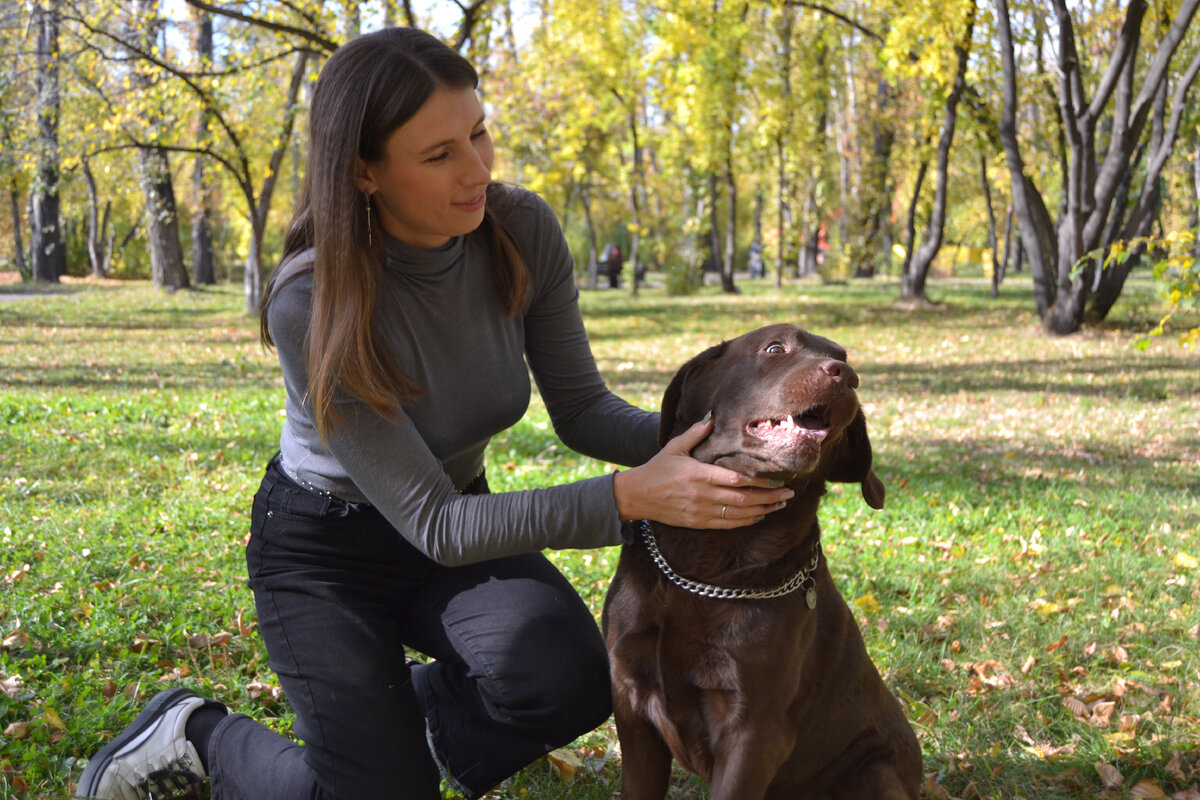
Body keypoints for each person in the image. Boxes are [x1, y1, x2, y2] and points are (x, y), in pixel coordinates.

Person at [74, 27, 793, 800]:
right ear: (364, 172)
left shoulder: (521, 230)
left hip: (454, 521)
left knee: (572, 678)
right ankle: (197, 735)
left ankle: (389, 742)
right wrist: (631, 500)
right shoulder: (312, 301)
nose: (478, 169)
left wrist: (724, 446)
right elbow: (439, 526)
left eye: (478, 133)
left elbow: (582, 411)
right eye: (439, 154)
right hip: (323, 556)